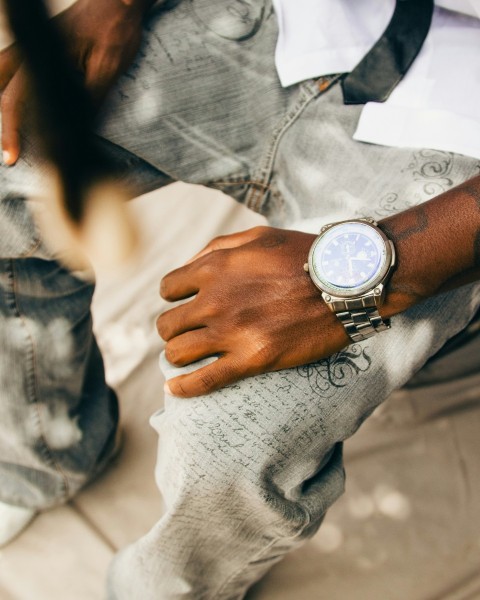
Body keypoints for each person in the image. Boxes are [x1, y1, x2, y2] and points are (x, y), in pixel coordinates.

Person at [0, 0, 479, 598]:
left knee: (231, 430)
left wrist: (353, 277)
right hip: (298, 22)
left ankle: (175, 588)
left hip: (465, 151)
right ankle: (46, 455)